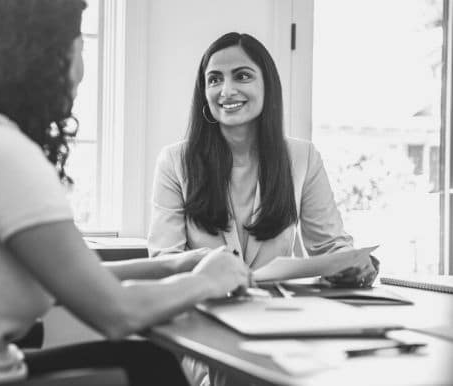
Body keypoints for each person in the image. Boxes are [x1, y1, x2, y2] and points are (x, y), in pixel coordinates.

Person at [0, 2, 252, 385]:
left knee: (145, 361)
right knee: (148, 369)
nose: (82, 70)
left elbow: (74, 277)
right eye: (79, 46)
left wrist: (173, 266)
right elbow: (118, 313)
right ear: (46, 56)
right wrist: (208, 279)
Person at [147, 32, 379, 386]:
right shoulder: (175, 162)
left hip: (283, 325)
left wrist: (353, 265)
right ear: (203, 93)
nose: (226, 90)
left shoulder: (302, 158)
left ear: (267, 85)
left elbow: (331, 247)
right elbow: (164, 262)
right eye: (214, 79)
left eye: (242, 75)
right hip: (207, 331)